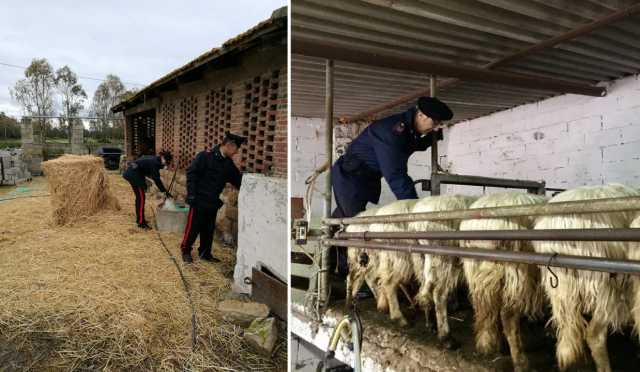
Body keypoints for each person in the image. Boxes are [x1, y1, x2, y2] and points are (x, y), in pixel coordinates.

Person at [331, 96, 453, 274]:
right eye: (434, 123)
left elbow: (412, 144)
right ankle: (349, 273)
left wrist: (431, 138)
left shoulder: (407, 128)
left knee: (339, 221)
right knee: (354, 226)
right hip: (350, 179)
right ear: (421, 115)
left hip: (364, 178)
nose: (434, 127)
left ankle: (331, 263)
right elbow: (396, 176)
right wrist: (413, 208)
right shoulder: (391, 131)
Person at [180, 132, 246, 263]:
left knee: (208, 230)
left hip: (212, 202)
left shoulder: (228, 164)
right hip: (198, 200)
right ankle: (186, 250)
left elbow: (238, 180)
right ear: (229, 145)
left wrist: (250, 181)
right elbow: (191, 174)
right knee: (193, 227)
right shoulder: (205, 156)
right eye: (236, 149)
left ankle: (205, 253)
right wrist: (191, 194)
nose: (236, 153)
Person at [122, 150, 173, 229]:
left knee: (140, 198)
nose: (166, 165)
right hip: (134, 175)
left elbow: (150, 171)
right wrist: (164, 191)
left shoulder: (156, 160)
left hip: (134, 174)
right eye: (166, 162)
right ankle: (141, 222)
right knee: (141, 198)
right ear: (164, 158)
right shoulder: (155, 163)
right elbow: (156, 179)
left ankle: (140, 219)